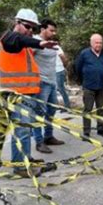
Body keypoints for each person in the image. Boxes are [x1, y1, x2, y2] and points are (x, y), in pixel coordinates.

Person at [0, 8, 57, 178]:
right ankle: (20, 167)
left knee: (25, 130)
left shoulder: (23, 44)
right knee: (22, 131)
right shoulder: (9, 38)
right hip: (16, 94)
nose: (30, 31)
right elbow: (16, 38)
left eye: (33, 28)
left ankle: (25, 158)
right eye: (27, 26)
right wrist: (39, 43)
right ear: (17, 23)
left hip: (27, 94)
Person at [32, 19, 65, 154]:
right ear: (43, 29)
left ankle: (48, 136)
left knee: (51, 111)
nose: (53, 33)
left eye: (54, 30)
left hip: (52, 82)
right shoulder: (35, 41)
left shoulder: (52, 44)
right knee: (39, 113)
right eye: (51, 30)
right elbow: (28, 59)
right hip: (41, 83)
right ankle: (39, 142)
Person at [74, 34, 103, 137]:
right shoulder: (84, 54)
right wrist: (81, 81)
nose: (98, 45)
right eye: (96, 42)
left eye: (100, 43)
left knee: (101, 109)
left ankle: (101, 128)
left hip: (101, 86)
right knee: (88, 109)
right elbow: (77, 67)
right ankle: (86, 130)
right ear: (91, 43)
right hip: (88, 86)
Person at [55, 42, 70, 108]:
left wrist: (64, 66)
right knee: (55, 89)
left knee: (61, 89)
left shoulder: (56, 47)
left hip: (59, 70)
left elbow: (63, 57)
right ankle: (56, 106)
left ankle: (67, 106)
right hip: (54, 71)